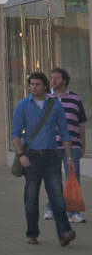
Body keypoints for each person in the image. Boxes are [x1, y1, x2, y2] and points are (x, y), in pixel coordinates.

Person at [11, 71, 75, 246]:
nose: (34, 87)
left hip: (51, 156)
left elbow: (64, 132)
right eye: (31, 84)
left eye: (37, 84)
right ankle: (32, 233)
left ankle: (64, 233)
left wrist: (69, 159)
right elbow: (15, 133)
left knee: (57, 197)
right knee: (31, 197)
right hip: (31, 156)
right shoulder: (23, 105)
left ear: (45, 86)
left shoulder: (55, 105)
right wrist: (21, 155)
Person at [45, 67, 87, 225]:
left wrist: (83, 144)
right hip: (52, 145)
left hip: (73, 144)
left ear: (64, 80)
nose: (53, 81)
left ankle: (74, 213)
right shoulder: (46, 98)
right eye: (52, 78)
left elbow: (81, 123)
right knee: (53, 178)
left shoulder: (75, 99)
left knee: (73, 179)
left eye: (56, 78)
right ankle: (52, 208)